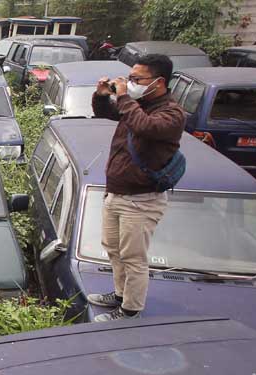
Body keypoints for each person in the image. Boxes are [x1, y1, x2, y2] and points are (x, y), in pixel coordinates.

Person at [87, 53, 185, 321]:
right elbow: (105, 113)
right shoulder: (136, 105)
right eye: (129, 78)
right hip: (116, 193)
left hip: (141, 200)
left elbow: (144, 127)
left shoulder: (171, 113)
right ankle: (120, 294)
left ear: (159, 82)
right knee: (113, 248)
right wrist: (101, 96)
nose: (131, 83)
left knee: (133, 257)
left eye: (137, 79)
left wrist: (123, 96)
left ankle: (130, 310)